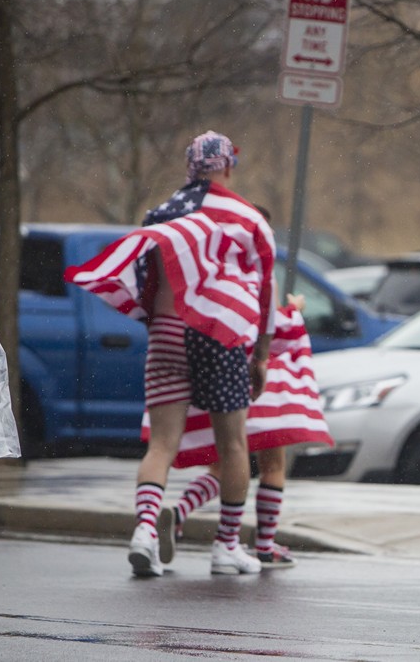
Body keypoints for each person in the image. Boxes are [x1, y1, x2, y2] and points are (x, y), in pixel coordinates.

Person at [65, 130, 277, 577]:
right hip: (220, 334)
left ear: (189, 167)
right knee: (233, 443)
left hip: (165, 329)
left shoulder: (160, 214)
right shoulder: (247, 218)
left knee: (161, 443)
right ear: (228, 167)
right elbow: (264, 293)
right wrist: (261, 355)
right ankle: (226, 546)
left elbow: (146, 280)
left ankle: (143, 530)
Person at [159, 289, 333, 569]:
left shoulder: (220, 275)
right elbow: (273, 324)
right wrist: (294, 309)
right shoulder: (258, 267)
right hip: (267, 381)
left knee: (222, 465)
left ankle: (179, 512)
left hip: (231, 374)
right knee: (273, 464)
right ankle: (263, 546)